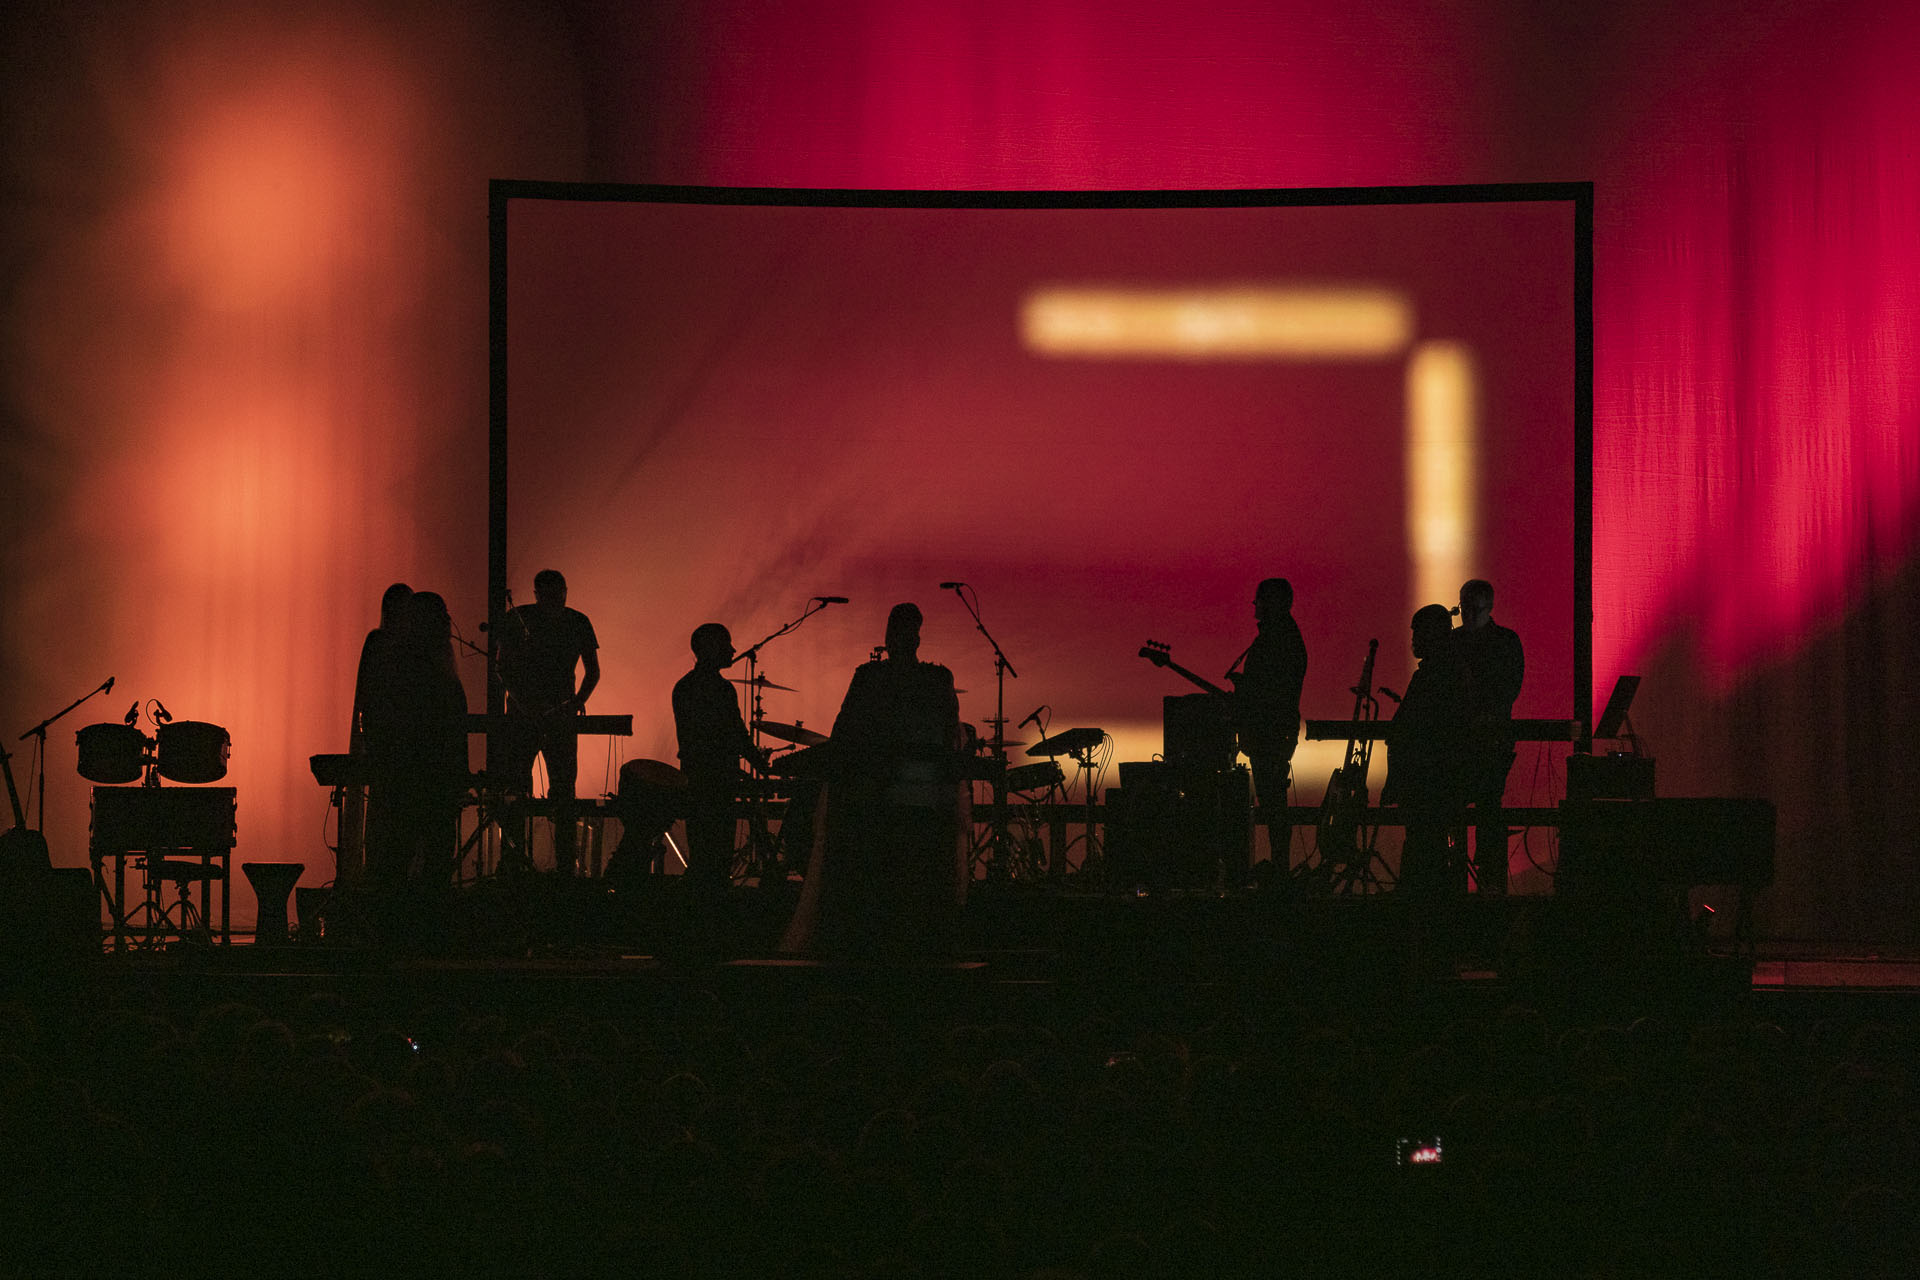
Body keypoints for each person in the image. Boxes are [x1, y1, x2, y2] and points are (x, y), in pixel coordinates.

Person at [790, 603, 963, 962]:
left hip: (874, 798)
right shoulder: (934, 679)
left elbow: (845, 730)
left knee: (876, 883)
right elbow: (949, 737)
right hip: (912, 798)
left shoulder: (871, 678)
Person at [361, 590, 470, 889]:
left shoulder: (398, 662)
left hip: (408, 781)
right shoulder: (429, 668)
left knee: (400, 860)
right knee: (429, 861)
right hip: (423, 782)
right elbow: (451, 725)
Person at [498, 569, 600, 875]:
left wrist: (522, 704)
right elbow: (592, 671)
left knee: (525, 787)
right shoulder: (577, 621)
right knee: (556, 788)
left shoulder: (521, 618)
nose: (555, 600)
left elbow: (502, 668)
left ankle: (517, 862)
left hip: (534, 715)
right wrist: (576, 702)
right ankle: (562, 865)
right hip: (554, 716)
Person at [671, 623, 769, 910]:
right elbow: (736, 733)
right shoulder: (722, 689)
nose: (734, 650)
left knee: (701, 848)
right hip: (718, 779)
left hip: (695, 776)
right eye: (727, 644)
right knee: (719, 847)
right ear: (712, 648)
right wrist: (759, 764)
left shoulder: (684, 687)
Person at [1383, 604, 1475, 897]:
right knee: (1430, 843)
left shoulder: (1433, 675)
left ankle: (1416, 901)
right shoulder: (1453, 670)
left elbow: (1411, 725)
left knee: (1422, 842)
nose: (1413, 640)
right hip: (1439, 776)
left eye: (1417, 632)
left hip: (1427, 778)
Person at [1227, 577, 1308, 878]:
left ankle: (1279, 869)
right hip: (1275, 733)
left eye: (1259, 599)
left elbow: (1270, 691)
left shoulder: (1276, 639)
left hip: (1269, 735)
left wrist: (1245, 691)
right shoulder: (1286, 637)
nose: (1254, 605)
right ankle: (1279, 867)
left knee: (1273, 803)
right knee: (1274, 802)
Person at [1451, 578, 1524, 894]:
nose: (1468, 613)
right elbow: (1509, 689)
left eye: (1472, 607)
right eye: (1466, 606)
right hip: (1485, 742)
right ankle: (1487, 880)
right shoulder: (1505, 641)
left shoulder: (1454, 643)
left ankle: (1471, 876)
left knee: (1474, 806)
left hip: (1474, 743)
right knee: (1487, 807)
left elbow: (1507, 689)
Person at [347, 582, 412, 885]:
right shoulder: (383, 642)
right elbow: (366, 692)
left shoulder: (380, 641)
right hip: (386, 737)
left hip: (388, 736)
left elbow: (364, 691)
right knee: (387, 806)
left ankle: (380, 872)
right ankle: (381, 873)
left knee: (386, 807)